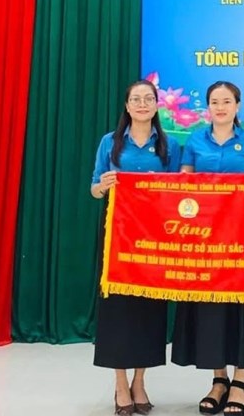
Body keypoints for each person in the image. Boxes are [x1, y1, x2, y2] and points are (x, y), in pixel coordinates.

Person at [172, 81, 244, 416]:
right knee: (211, 309)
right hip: (205, 241)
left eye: (227, 101)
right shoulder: (195, 140)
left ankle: (240, 382)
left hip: (243, 239)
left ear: (238, 106)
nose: (221, 107)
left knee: (242, 306)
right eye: (215, 102)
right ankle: (218, 380)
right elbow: (184, 184)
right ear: (207, 108)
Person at [91, 79, 181, 415]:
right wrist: (103, 185)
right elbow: (94, 188)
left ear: (157, 105)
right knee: (117, 307)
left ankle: (140, 381)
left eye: (148, 98)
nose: (142, 104)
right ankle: (119, 385)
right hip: (117, 233)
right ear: (127, 106)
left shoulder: (169, 145)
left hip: (156, 235)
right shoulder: (109, 143)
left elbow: (177, 191)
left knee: (148, 307)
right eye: (135, 99)